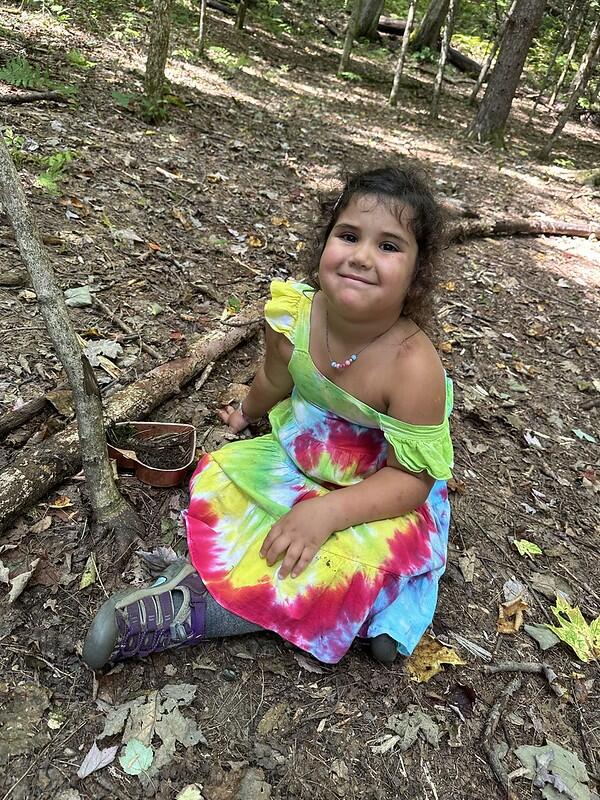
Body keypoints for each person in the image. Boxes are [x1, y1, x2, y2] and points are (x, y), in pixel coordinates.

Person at [83, 165, 453, 670]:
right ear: (324, 244)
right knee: (232, 486)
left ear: (415, 277)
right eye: (349, 236)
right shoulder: (293, 316)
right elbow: (276, 379)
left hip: (376, 488)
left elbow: (411, 482)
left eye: (389, 246)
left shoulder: (414, 366)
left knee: (333, 563)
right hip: (301, 458)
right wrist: (245, 413)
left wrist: (327, 514)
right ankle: (344, 605)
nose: (363, 257)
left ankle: (198, 611)